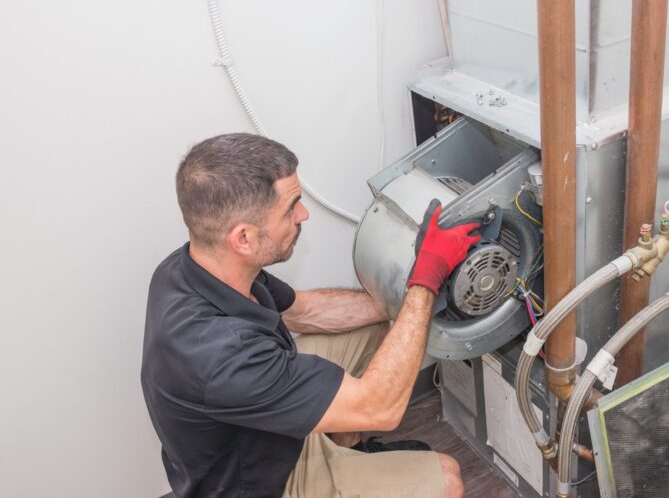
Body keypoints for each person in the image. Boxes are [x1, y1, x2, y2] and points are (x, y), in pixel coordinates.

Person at [141, 133, 480, 498]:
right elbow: (382, 408)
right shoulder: (222, 356)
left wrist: (403, 290)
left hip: (266, 432)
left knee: (376, 323)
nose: (303, 214)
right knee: (448, 479)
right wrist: (426, 278)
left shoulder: (191, 268)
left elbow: (305, 311)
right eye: (291, 207)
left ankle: (347, 449)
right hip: (264, 484)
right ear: (244, 238)